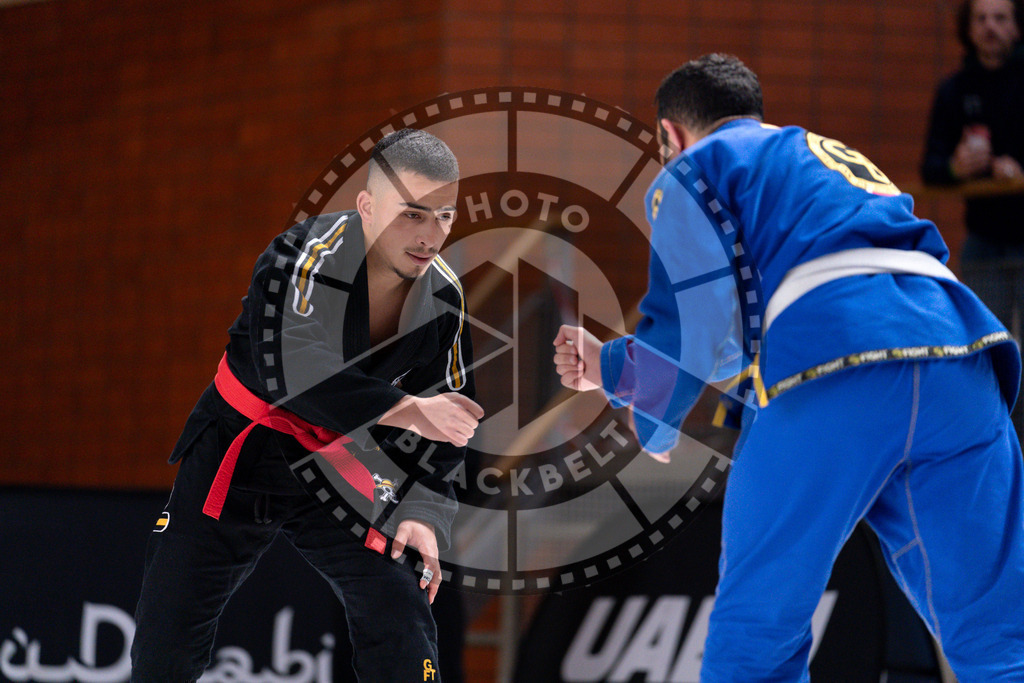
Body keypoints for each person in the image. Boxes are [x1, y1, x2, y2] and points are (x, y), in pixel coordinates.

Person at [554, 54, 1024, 681]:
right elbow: (746, 331)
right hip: (958, 355)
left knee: (758, 633)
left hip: (835, 362)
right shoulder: (828, 160)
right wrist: (615, 368)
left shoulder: (697, 165)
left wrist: (652, 410)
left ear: (669, 133)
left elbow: (696, 320)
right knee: (1001, 635)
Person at [131, 128, 483, 682]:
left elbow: (453, 417)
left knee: (399, 601)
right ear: (366, 206)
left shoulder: (444, 296)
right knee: (165, 642)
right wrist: (406, 408)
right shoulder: (302, 256)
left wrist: (423, 512)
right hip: (236, 453)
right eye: (411, 214)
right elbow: (291, 367)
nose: (429, 235)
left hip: (336, 470)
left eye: (443, 215)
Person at [921, 0, 1024, 429]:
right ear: (968, 28)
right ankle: (997, 451)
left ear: (1017, 27)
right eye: (981, 18)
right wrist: (954, 168)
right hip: (983, 242)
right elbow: (931, 167)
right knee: (989, 356)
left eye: (1000, 18)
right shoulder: (955, 89)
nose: (990, 27)